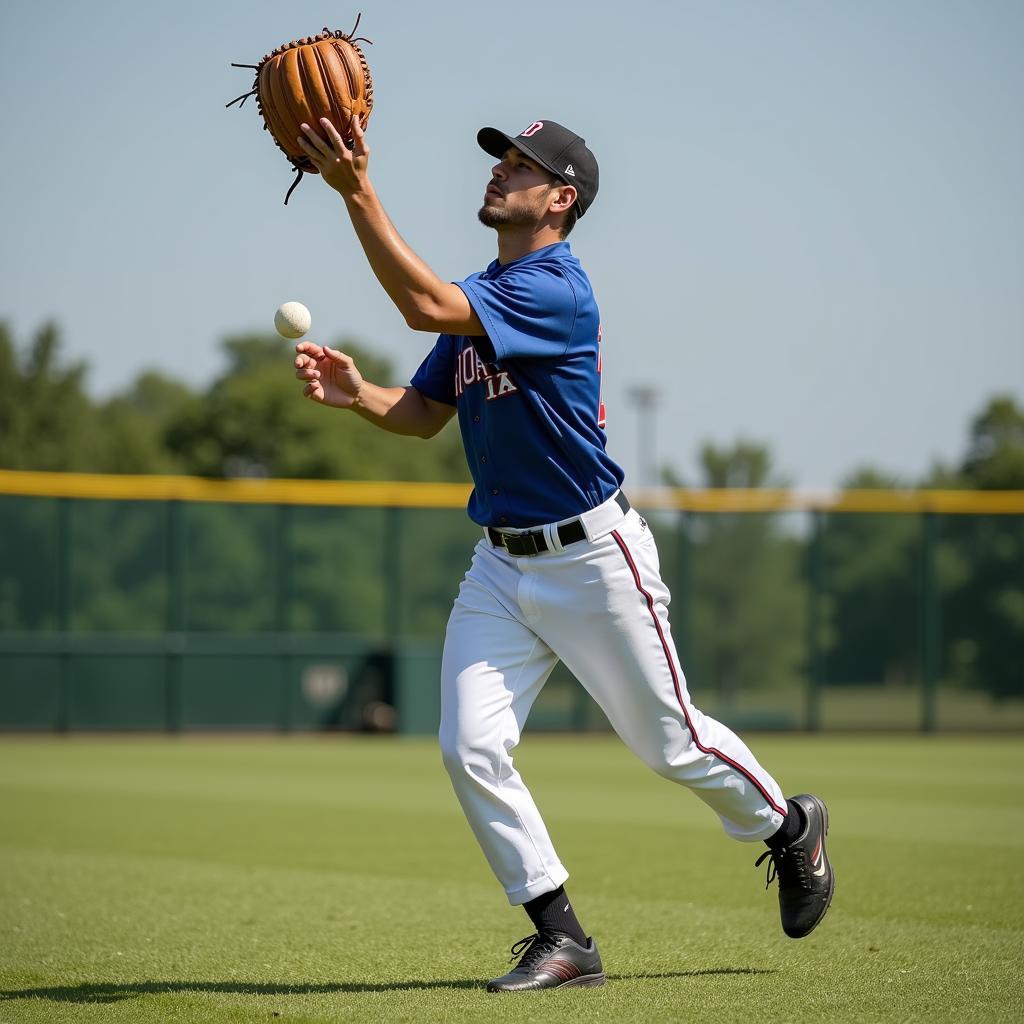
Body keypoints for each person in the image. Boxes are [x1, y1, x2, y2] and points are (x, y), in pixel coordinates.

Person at [292, 115, 834, 993]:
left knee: (674, 746)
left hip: (593, 559)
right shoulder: (486, 295)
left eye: (522, 167)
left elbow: (424, 304)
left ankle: (787, 826)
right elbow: (424, 414)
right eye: (502, 161)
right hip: (502, 567)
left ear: (561, 198)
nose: (502, 174)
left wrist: (357, 190)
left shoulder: (555, 289)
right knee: (469, 745)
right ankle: (562, 936)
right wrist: (361, 396)